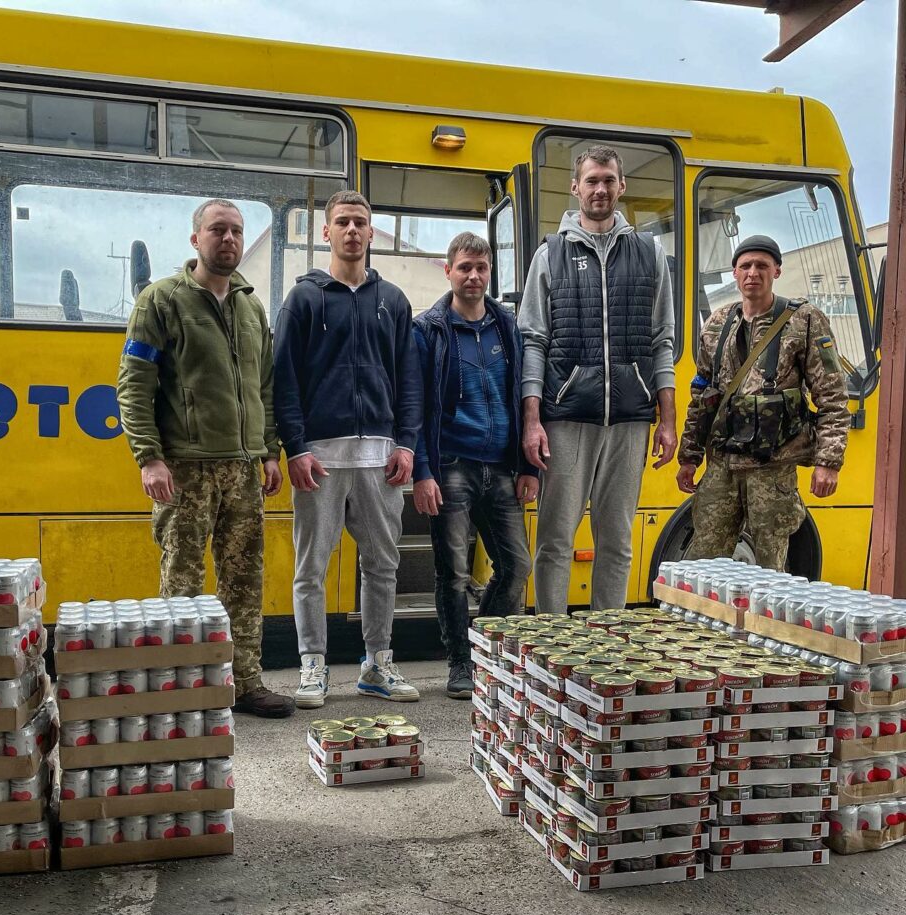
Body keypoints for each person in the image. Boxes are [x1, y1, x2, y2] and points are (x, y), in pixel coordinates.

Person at [117, 198, 295, 718]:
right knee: (183, 581)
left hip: (243, 468)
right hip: (185, 469)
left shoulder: (250, 305)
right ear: (196, 239)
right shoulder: (161, 301)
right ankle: (184, 688)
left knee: (244, 579)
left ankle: (245, 683)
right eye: (218, 230)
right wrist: (149, 457)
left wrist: (268, 453)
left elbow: (264, 383)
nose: (230, 240)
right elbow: (134, 383)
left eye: (238, 231)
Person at [273, 189, 423, 710]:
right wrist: (294, 447)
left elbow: (409, 381)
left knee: (382, 564)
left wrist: (406, 444)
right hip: (320, 458)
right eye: (343, 222)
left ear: (371, 232)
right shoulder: (303, 300)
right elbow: (284, 379)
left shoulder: (394, 302)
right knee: (310, 568)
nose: (353, 231)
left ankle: (376, 664)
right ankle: (312, 665)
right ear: (326, 233)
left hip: (381, 459)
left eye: (361, 222)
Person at [518, 144, 677, 612]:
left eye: (608, 180)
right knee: (554, 540)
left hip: (629, 419)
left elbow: (661, 341)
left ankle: (608, 642)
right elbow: (534, 341)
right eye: (591, 180)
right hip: (567, 419)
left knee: (617, 542)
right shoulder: (550, 255)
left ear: (621, 186)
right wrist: (532, 420)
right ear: (576, 187)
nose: (600, 189)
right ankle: (551, 645)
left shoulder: (649, 253)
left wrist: (666, 421)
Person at [412, 232, 538, 699]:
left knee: (517, 566)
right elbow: (416, 406)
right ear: (449, 271)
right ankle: (461, 664)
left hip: (501, 466)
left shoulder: (507, 326)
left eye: (481, 268)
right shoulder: (428, 330)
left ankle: (483, 644)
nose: (473, 276)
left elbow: (524, 401)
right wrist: (424, 471)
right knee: (454, 573)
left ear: (490, 272)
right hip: (452, 465)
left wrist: (529, 467)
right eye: (465, 267)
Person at [677, 234, 850, 569]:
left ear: (777, 271)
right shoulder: (717, 323)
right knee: (701, 564)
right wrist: (689, 456)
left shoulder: (804, 320)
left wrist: (828, 461)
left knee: (769, 569)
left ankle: (761, 624)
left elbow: (832, 397)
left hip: (772, 468)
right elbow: (701, 395)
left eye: (761, 266)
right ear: (734, 272)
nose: (752, 273)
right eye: (745, 266)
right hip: (723, 465)